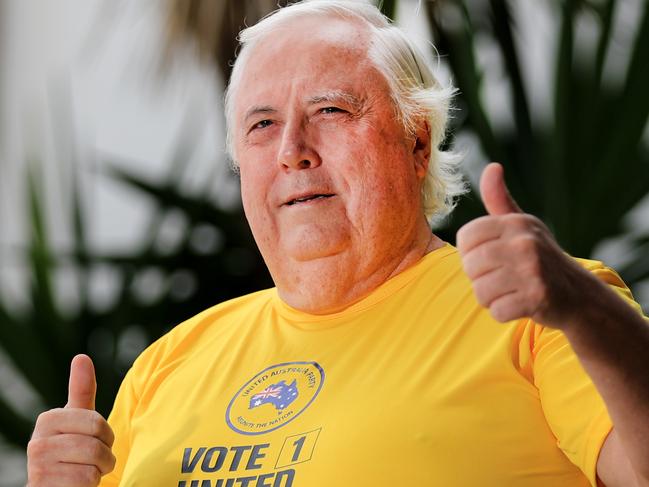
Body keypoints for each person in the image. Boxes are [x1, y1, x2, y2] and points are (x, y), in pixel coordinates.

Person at [26, 1, 649, 486]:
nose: (293, 151)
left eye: (330, 111)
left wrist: (584, 307)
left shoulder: (542, 314)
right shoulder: (167, 365)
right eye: (262, 125)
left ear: (416, 142)